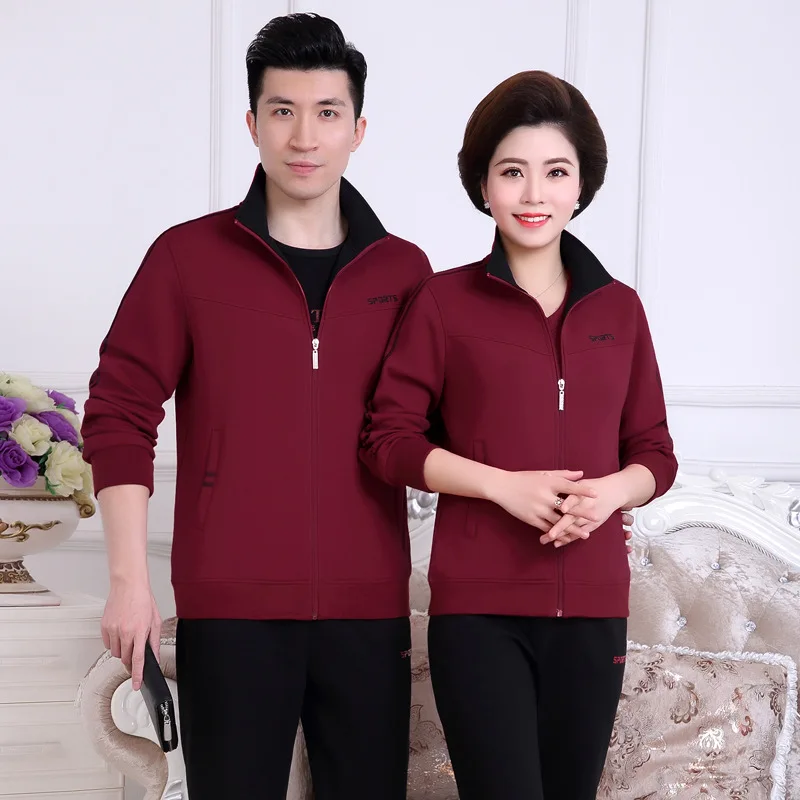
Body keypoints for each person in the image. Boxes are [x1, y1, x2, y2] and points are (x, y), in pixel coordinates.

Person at [80, 14, 432, 799]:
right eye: (283, 111)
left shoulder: (405, 273)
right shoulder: (187, 259)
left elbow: (435, 429)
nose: (304, 136)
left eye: (327, 112)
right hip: (230, 610)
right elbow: (120, 411)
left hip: (369, 613)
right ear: (252, 124)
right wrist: (129, 581)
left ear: (358, 130)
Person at [359, 70, 678, 800]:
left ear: (582, 184)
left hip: (593, 607)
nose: (534, 194)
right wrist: (500, 486)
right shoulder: (442, 302)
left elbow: (655, 452)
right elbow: (387, 440)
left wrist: (610, 494)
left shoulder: (620, 310)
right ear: (483, 185)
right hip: (479, 614)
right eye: (512, 172)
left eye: (555, 172)